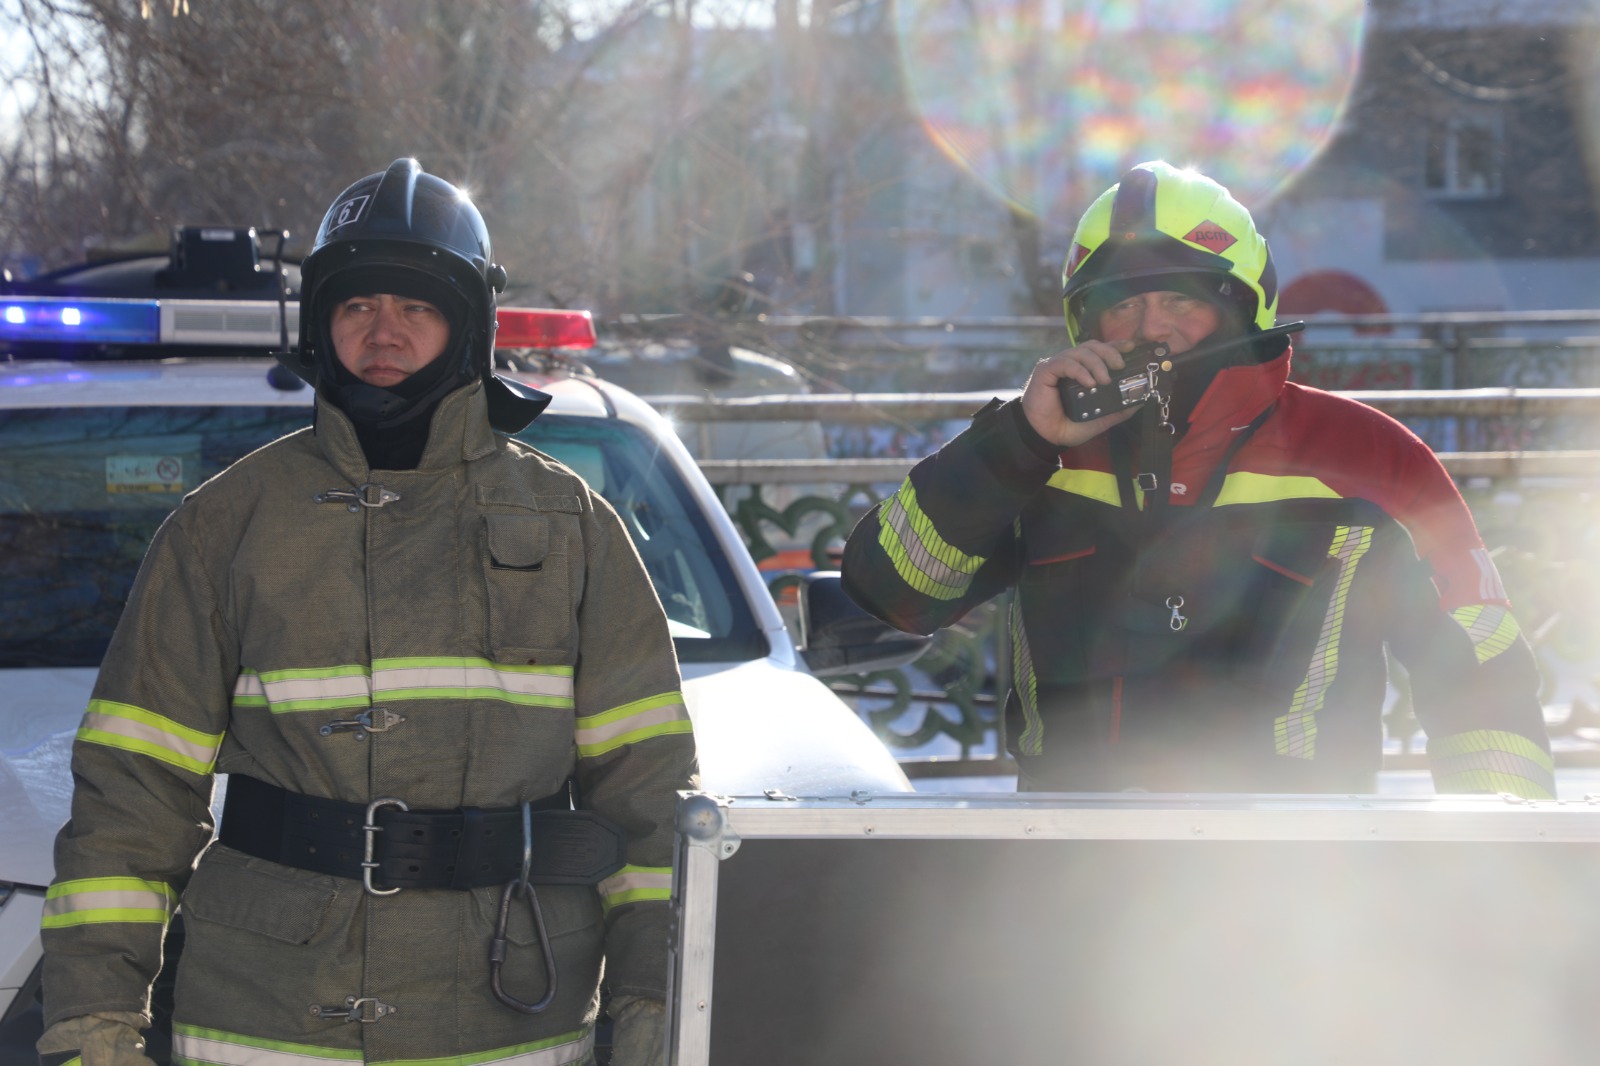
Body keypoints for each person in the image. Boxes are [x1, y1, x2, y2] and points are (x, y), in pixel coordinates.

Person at [36, 159, 696, 1066]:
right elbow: (133, 791)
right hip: (265, 1022)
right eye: (357, 306)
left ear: (467, 326)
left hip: (509, 1022)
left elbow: (650, 793)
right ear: (321, 323)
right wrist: (94, 1022)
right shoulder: (223, 526)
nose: (384, 332)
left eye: (417, 306)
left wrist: (656, 1000)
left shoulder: (572, 524)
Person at [841, 159, 1554, 797]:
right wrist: (1019, 444)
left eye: (1180, 300)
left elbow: (1482, 675)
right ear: (1086, 322)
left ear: (1241, 303)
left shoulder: (1368, 454)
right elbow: (896, 595)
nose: (1153, 328)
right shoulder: (1036, 452)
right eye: (1123, 304)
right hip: (1068, 858)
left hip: (1301, 866)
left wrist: (1500, 865)